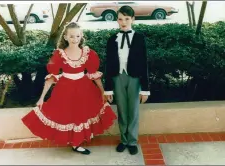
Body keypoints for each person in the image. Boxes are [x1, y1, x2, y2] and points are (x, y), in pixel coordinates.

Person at [22, 22, 117, 155]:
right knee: (68, 114)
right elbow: (51, 77)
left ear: (81, 36)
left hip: (84, 88)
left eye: (78, 36)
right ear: (65, 37)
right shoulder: (59, 54)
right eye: (71, 36)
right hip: (65, 88)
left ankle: (77, 141)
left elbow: (94, 75)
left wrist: (102, 92)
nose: (75, 39)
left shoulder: (88, 53)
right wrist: (42, 98)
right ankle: (75, 143)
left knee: (82, 113)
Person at [104, 6, 150, 155]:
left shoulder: (139, 38)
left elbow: (144, 63)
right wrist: (108, 88)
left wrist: (145, 89)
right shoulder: (112, 39)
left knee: (134, 110)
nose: (123, 22)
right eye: (120, 19)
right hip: (118, 77)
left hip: (134, 77)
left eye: (127, 19)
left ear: (133, 19)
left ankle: (132, 141)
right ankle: (123, 140)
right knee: (122, 110)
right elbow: (109, 64)